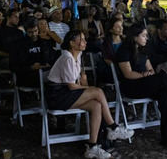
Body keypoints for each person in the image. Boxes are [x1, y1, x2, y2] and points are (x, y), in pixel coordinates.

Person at [46, 30, 134, 158]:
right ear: (72, 43)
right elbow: (71, 85)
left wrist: (85, 83)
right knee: (97, 91)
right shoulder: (67, 58)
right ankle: (113, 127)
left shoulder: (78, 55)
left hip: (67, 93)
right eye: (81, 39)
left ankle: (92, 146)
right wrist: (88, 88)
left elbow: (79, 81)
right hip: (57, 96)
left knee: (96, 106)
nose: (85, 42)